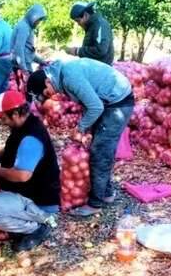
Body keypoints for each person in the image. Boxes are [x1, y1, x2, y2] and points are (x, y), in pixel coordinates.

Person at [27, 59, 134, 216]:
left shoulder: (69, 77)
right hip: (107, 101)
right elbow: (88, 103)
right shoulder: (62, 76)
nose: (50, 96)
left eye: (45, 93)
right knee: (97, 148)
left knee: (100, 151)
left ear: (47, 81)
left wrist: (81, 128)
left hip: (118, 103)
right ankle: (107, 193)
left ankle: (95, 203)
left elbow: (96, 106)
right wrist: (86, 129)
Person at [0, 90, 61, 252]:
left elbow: (22, 175)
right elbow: (10, 150)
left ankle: (37, 227)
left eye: (3, 118)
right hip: (27, 193)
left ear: (15, 113)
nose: (1, 122)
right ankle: (24, 219)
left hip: (38, 201)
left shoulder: (30, 139)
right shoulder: (23, 125)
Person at [65, 1, 114, 66]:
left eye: (78, 21)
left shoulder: (100, 24)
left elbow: (100, 50)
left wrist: (77, 51)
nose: (78, 24)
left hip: (101, 70)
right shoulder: (92, 26)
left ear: (85, 15)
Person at [11, 4, 47, 76]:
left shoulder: (28, 27)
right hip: (21, 68)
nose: (38, 23)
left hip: (25, 66)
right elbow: (19, 49)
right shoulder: (23, 27)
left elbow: (28, 52)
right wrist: (24, 69)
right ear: (33, 17)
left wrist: (42, 61)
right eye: (38, 20)